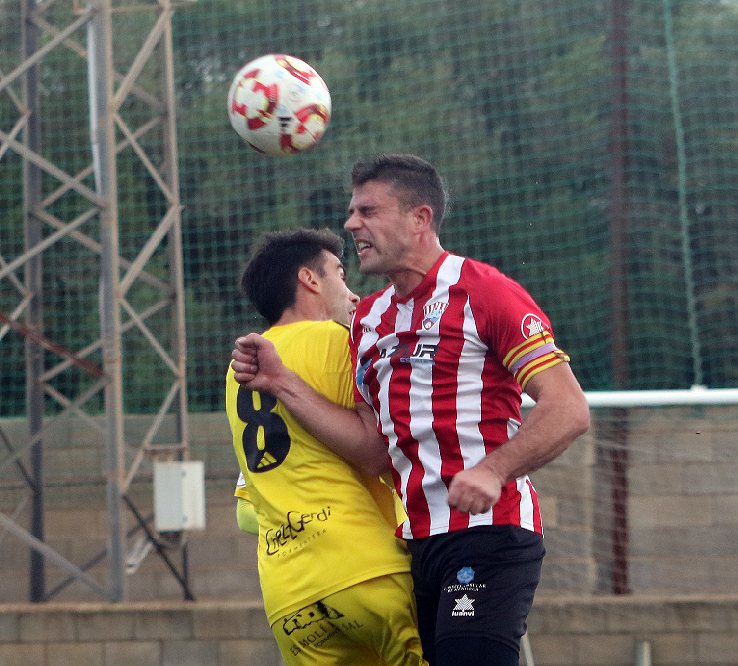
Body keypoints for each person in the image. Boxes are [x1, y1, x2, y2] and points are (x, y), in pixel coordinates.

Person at [231, 154, 591, 666]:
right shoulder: (369, 321)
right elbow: (374, 453)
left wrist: (493, 470)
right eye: (352, 212)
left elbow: (569, 408)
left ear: (420, 219)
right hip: (414, 546)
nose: (352, 224)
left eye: (368, 211)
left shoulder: (485, 292)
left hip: (488, 533)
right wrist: (283, 383)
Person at [225, 227, 427, 666]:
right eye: (339, 274)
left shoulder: (241, 369)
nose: (354, 295)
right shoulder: (340, 341)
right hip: (363, 566)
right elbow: (378, 452)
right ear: (309, 280)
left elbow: (245, 511)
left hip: (288, 593)